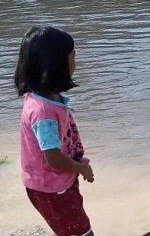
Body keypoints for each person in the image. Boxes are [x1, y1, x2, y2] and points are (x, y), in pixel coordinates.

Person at [14, 26, 95, 236]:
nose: (76, 61)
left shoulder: (45, 97)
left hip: (56, 182)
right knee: (81, 233)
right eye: (73, 55)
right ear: (56, 64)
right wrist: (81, 168)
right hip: (52, 188)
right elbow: (53, 159)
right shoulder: (43, 111)